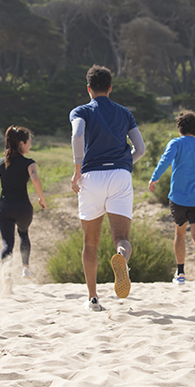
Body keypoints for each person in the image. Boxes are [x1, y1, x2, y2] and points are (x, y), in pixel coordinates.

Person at [69, 64, 145, 312]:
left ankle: (92, 299)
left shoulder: (81, 110)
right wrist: (124, 164)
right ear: (110, 88)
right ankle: (121, 258)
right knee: (121, 239)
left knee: (90, 242)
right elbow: (141, 149)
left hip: (91, 177)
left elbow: (77, 135)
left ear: (88, 88)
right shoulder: (125, 113)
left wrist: (78, 168)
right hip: (121, 176)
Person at [148, 111, 195, 294]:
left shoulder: (176, 143)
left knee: (180, 234)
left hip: (178, 199)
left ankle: (180, 273)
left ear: (179, 128)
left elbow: (165, 161)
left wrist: (154, 179)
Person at [0, 126, 47, 280]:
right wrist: (41, 198)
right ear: (21, 143)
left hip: (5, 208)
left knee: (7, 243)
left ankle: (6, 273)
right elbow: (34, 178)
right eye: (29, 142)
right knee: (23, 234)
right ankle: (25, 268)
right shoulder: (29, 163)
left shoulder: (0, 162)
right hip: (23, 208)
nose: (31, 145)